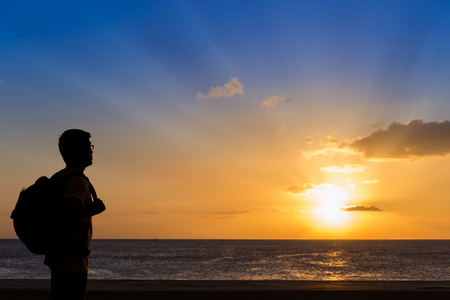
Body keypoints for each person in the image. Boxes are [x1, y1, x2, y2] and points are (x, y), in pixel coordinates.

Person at [44, 129, 106, 300]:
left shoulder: (59, 177)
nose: (92, 151)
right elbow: (68, 218)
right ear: (79, 150)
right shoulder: (77, 181)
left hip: (58, 257)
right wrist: (92, 210)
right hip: (70, 261)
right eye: (89, 146)